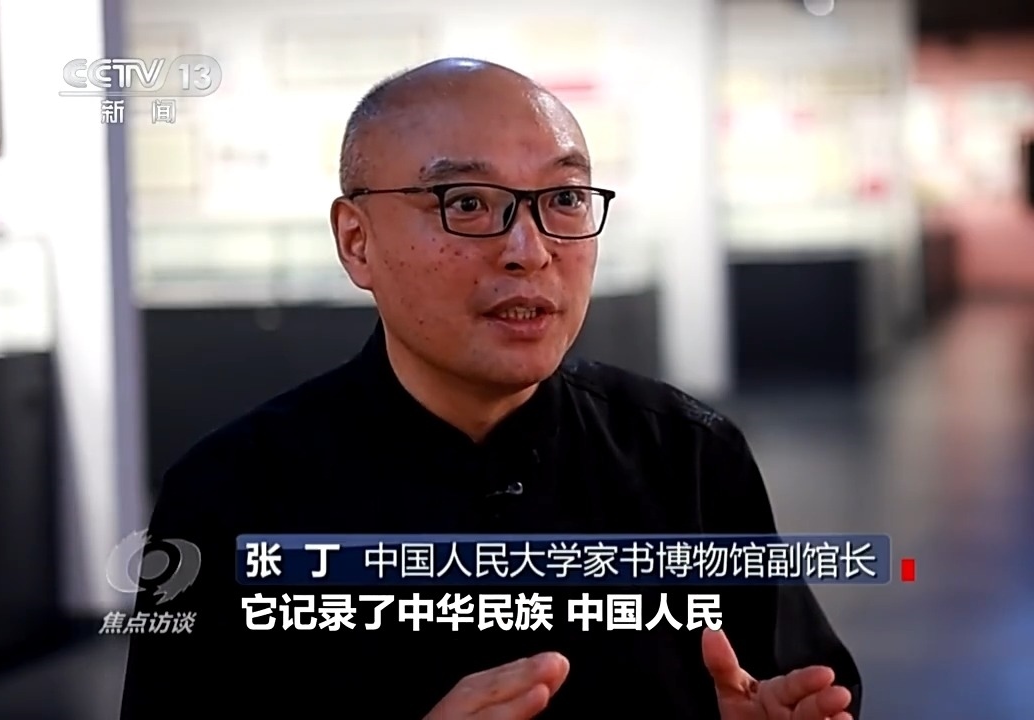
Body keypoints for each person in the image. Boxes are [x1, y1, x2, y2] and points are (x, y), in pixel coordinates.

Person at [120, 57, 861, 719]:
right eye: (467, 202)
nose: (529, 251)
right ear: (357, 241)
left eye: (564, 198)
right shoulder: (231, 496)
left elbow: (789, 679)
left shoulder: (688, 455)